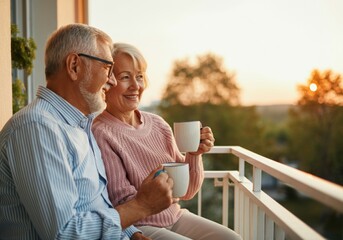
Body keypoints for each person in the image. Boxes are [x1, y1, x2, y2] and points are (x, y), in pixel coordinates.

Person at [0, 24, 176, 240]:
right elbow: (64, 234)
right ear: (74, 66)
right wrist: (141, 206)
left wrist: (131, 233)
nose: (111, 81)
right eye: (107, 68)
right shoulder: (37, 128)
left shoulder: (81, 125)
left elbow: (94, 203)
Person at [92, 43, 242, 240]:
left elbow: (186, 192)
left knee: (233, 239)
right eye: (125, 77)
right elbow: (121, 200)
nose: (136, 86)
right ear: (107, 83)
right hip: (138, 227)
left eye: (139, 76)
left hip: (175, 216)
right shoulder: (101, 131)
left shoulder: (158, 124)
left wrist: (194, 154)